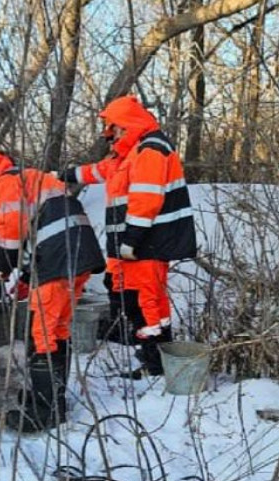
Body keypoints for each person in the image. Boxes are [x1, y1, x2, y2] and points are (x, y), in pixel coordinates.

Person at [0, 147, 105, 432]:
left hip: (59, 259)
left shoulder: (5, 183)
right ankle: (51, 399)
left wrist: (2, 267)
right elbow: (40, 231)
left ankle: (47, 410)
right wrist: (28, 276)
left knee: (43, 335)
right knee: (57, 329)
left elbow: (12, 234)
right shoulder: (33, 177)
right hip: (77, 256)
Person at [56, 95, 197, 377]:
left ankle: (155, 361)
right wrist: (63, 175)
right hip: (131, 247)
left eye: (115, 130)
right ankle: (149, 351)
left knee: (146, 302)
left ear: (126, 125)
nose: (112, 137)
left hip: (147, 244)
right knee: (127, 295)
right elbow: (98, 171)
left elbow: (146, 200)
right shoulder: (128, 156)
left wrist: (131, 240)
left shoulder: (150, 151)